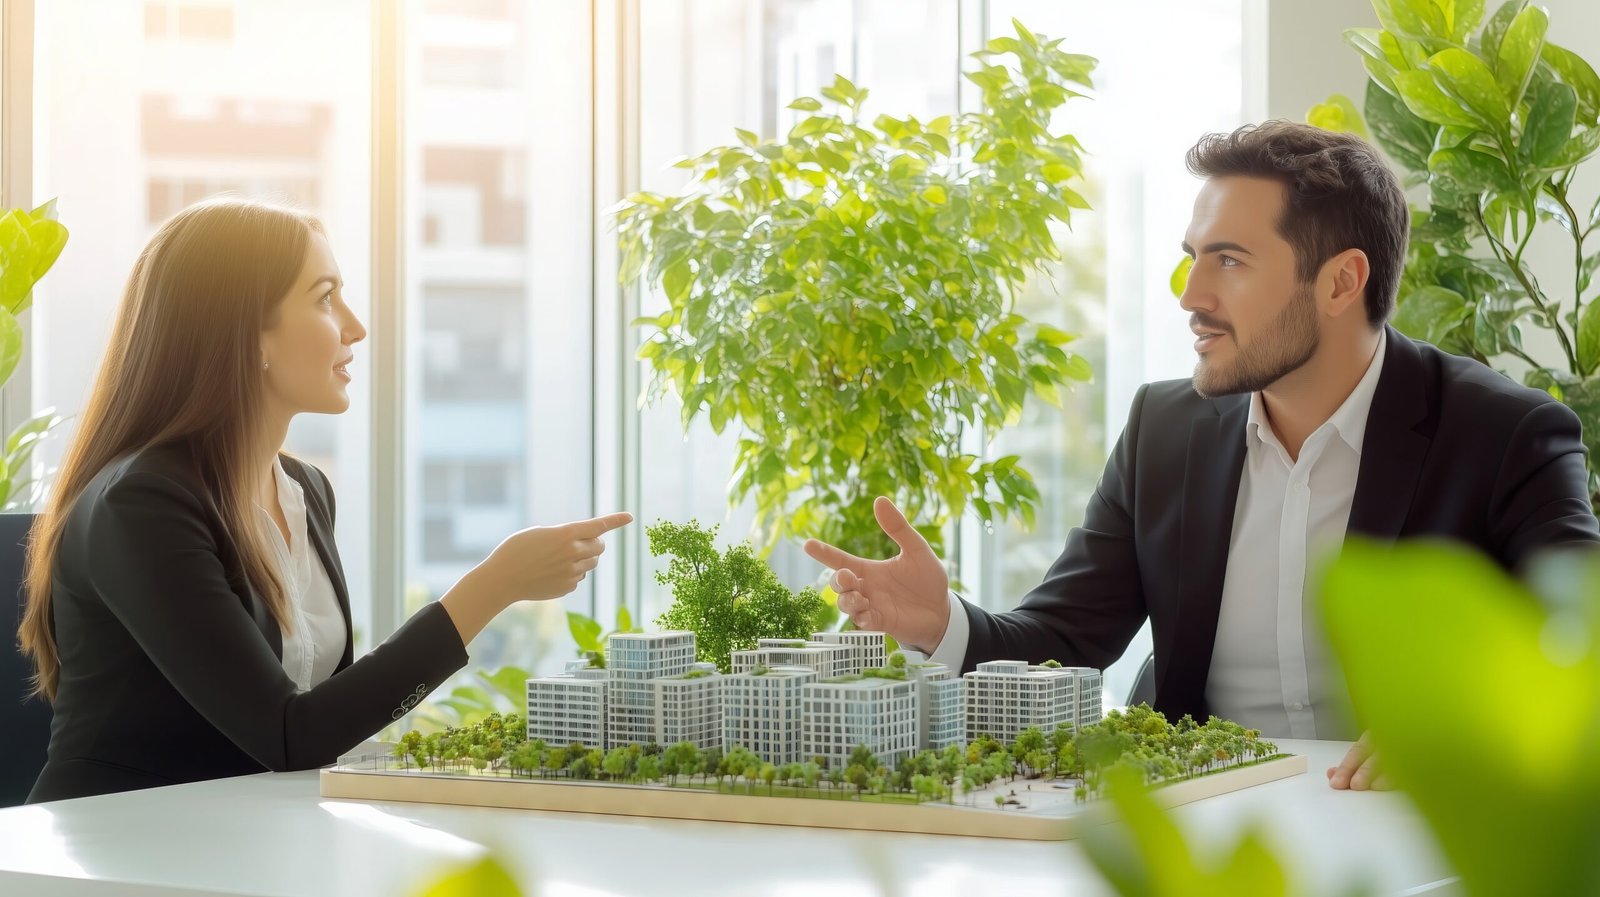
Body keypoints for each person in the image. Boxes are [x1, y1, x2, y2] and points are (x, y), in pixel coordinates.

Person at [804, 121, 1600, 792]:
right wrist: (942, 624)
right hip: (1206, 828)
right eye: (1192, 256)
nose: (1189, 293)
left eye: (1228, 260)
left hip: (1407, 830)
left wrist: (1469, 726)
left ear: (1340, 282)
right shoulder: (1165, 428)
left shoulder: (1506, 435)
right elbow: (1067, 635)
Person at [19, 199, 631, 802]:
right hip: (120, 847)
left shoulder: (305, 491)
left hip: (255, 838)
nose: (355, 326)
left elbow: (325, 724)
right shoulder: (142, 504)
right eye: (324, 297)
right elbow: (291, 735)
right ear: (246, 332)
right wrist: (491, 587)